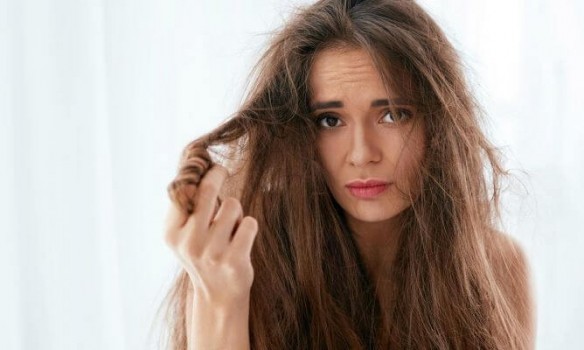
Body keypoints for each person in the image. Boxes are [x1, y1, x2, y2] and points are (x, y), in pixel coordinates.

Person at [160, 0, 535, 349]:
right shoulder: (239, 263)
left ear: (439, 125)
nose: (361, 154)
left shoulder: (495, 266)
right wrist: (221, 298)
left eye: (392, 114)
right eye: (329, 120)